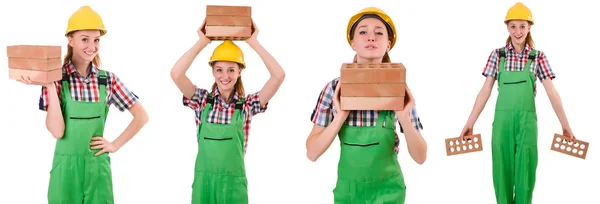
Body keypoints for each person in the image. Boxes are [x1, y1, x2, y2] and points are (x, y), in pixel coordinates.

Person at [16, 6, 149, 204]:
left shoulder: (108, 80)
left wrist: (114, 145)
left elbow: (142, 116)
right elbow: (57, 131)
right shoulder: (55, 78)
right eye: (84, 39)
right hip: (65, 169)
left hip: (97, 166)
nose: (91, 46)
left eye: (96, 40)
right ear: (70, 40)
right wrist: (50, 86)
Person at [305, 7, 427, 203]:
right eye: (363, 32)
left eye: (379, 32)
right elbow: (312, 153)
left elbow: (420, 157)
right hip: (349, 194)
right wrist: (341, 115)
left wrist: (403, 115)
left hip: (389, 191)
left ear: (388, 44)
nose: (371, 37)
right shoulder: (335, 88)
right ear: (352, 43)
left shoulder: (400, 89)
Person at [459, 2, 576, 204]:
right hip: (502, 123)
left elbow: (552, 92)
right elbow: (485, 90)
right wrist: (470, 123)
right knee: (501, 173)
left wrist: (565, 125)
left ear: (529, 27)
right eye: (513, 26)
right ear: (507, 27)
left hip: (527, 124)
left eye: (522, 26)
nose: (518, 31)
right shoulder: (498, 55)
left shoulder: (538, 57)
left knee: (526, 173)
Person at [170, 19, 285, 203]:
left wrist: (253, 42)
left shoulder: (247, 105)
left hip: (233, 187)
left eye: (231, 69)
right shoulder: (201, 101)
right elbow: (176, 74)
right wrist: (202, 42)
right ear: (213, 72)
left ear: (240, 71)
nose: (225, 76)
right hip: (204, 185)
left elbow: (279, 76)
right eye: (219, 70)